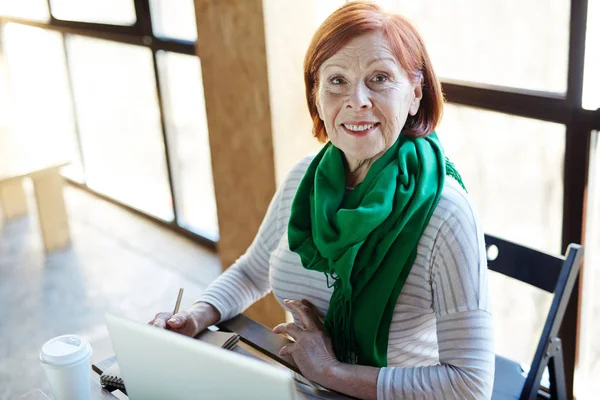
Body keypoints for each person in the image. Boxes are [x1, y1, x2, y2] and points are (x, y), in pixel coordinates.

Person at [149, 2, 494, 399]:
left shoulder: (447, 214)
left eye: (379, 78)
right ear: (315, 95)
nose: (357, 100)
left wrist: (332, 371)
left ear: (415, 94)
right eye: (336, 81)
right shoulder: (304, 180)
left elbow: (469, 385)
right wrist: (195, 316)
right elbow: (251, 272)